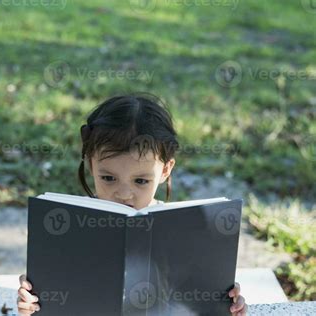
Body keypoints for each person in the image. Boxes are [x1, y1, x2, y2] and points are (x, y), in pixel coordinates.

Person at [17, 93, 247, 315]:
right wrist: (31, 305)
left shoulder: (179, 227)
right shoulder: (70, 224)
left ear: (165, 170)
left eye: (141, 181)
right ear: (90, 164)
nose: (124, 194)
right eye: (108, 178)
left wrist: (228, 307)